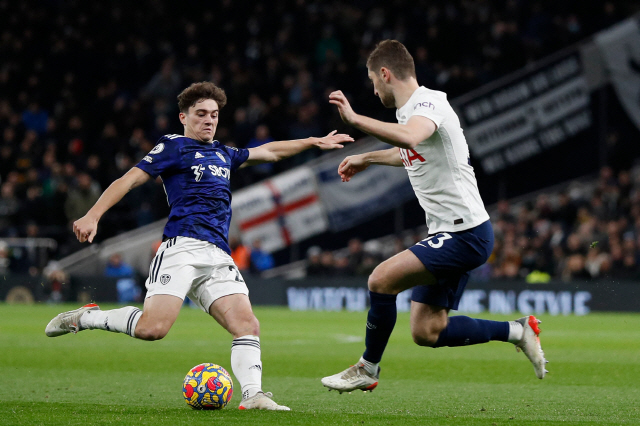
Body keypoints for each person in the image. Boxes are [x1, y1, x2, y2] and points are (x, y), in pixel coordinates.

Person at [45, 81, 353, 410]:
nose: (209, 120)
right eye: (201, 114)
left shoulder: (224, 153)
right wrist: (93, 215)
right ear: (183, 117)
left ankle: (254, 395)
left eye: (214, 115)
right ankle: (86, 318)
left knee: (247, 325)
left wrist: (313, 141)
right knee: (153, 329)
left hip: (219, 254)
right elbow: (129, 179)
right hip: (182, 247)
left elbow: (271, 151)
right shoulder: (172, 148)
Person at [321, 40, 547, 393]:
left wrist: (354, 119)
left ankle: (367, 367)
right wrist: (369, 158)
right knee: (427, 332)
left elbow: (412, 137)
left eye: (372, 81)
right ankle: (518, 331)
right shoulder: (409, 112)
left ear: (385, 73)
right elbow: (410, 150)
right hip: (454, 232)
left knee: (380, 280)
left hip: (465, 233)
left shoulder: (428, 104)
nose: (374, 88)